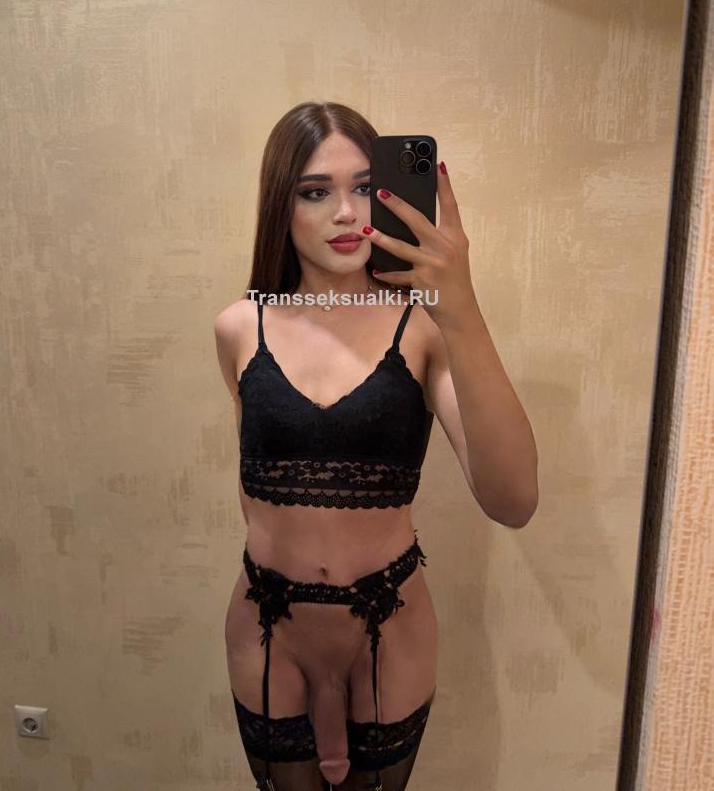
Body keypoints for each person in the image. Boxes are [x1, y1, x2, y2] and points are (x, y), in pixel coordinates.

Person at [214, 102, 538, 790]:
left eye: (364, 187)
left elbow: (513, 501)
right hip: (268, 621)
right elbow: (253, 483)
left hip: (390, 622)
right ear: (281, 205)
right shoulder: (239, 327)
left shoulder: (425, 330)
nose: (345, 213)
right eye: (314, 191)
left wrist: (462, 308)